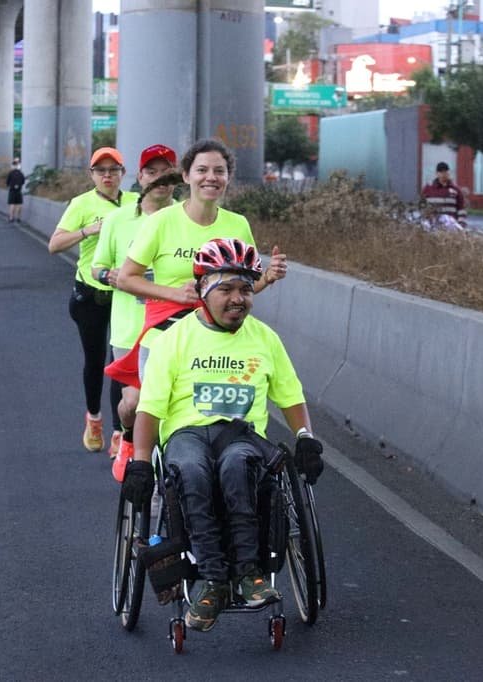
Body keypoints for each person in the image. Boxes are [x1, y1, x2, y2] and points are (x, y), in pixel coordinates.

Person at [120, 237, 325, 633]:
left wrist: (304, 437)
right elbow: (150, 408)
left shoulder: (265, 339)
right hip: (187, 433)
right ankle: (213, 580)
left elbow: (290, 394)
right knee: (192, 471)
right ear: (202, 291)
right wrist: (141, 462)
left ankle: (249, 574)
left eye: (246, 289)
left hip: (242, 436)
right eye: (226, 288)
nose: (238, 298)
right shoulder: (173, 340)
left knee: (237, 464)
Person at [109, 138, 287, 437]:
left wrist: (266, 277)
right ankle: (130, 439)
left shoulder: (237, 224)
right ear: (186, 176)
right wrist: (176, 293)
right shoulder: (161, 222)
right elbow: (126, 278)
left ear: (228, 178)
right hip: (166, 328)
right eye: (202, 170)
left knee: (210, 413)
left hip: (217, 334)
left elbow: (242, 289)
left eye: (219, 171)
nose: (211, 178)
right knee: (138, 403)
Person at [91, 144, 180, 466]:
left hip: (175, 329)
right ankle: (128, 435)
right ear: (140, 177)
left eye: (167, 174)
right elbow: (96, 267)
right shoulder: (118, 221)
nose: (160, 180)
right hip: (130, 330)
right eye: (152, 172)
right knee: (135, 403)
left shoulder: (186, 219)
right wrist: (110, 275)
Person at [47, 147, 137, 452]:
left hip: (126, 295)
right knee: (96, 360)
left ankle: (117, 434)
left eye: (114, 170)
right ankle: (94, 419)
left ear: (124, 174)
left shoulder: (136, 203)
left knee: (120, 363)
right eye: (101, 171)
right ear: (92, 175)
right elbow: (54, 244)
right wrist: (88, 230)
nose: (108, 176)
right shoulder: (81, 204)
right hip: (90, 295)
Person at [421, 161, 467, 230]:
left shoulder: (456, 190)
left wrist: (461, 223)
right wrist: (426, 219)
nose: (443, 174)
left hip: (451, 226)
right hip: (433, 225)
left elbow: (461, 208)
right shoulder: (428, 189)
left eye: (445, 172)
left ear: (449, 173)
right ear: (436, 173)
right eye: (441, 172)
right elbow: (422, 206)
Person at [6, 158, 25, 224]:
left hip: (12, 190)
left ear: (13, 165)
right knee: (19, 204)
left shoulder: (10, 173)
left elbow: (7, 182)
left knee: (12, 204)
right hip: (19, 190)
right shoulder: (21, 173)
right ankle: (18, 218)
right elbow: (23, 181)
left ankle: (11, 218)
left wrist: (11, 185)